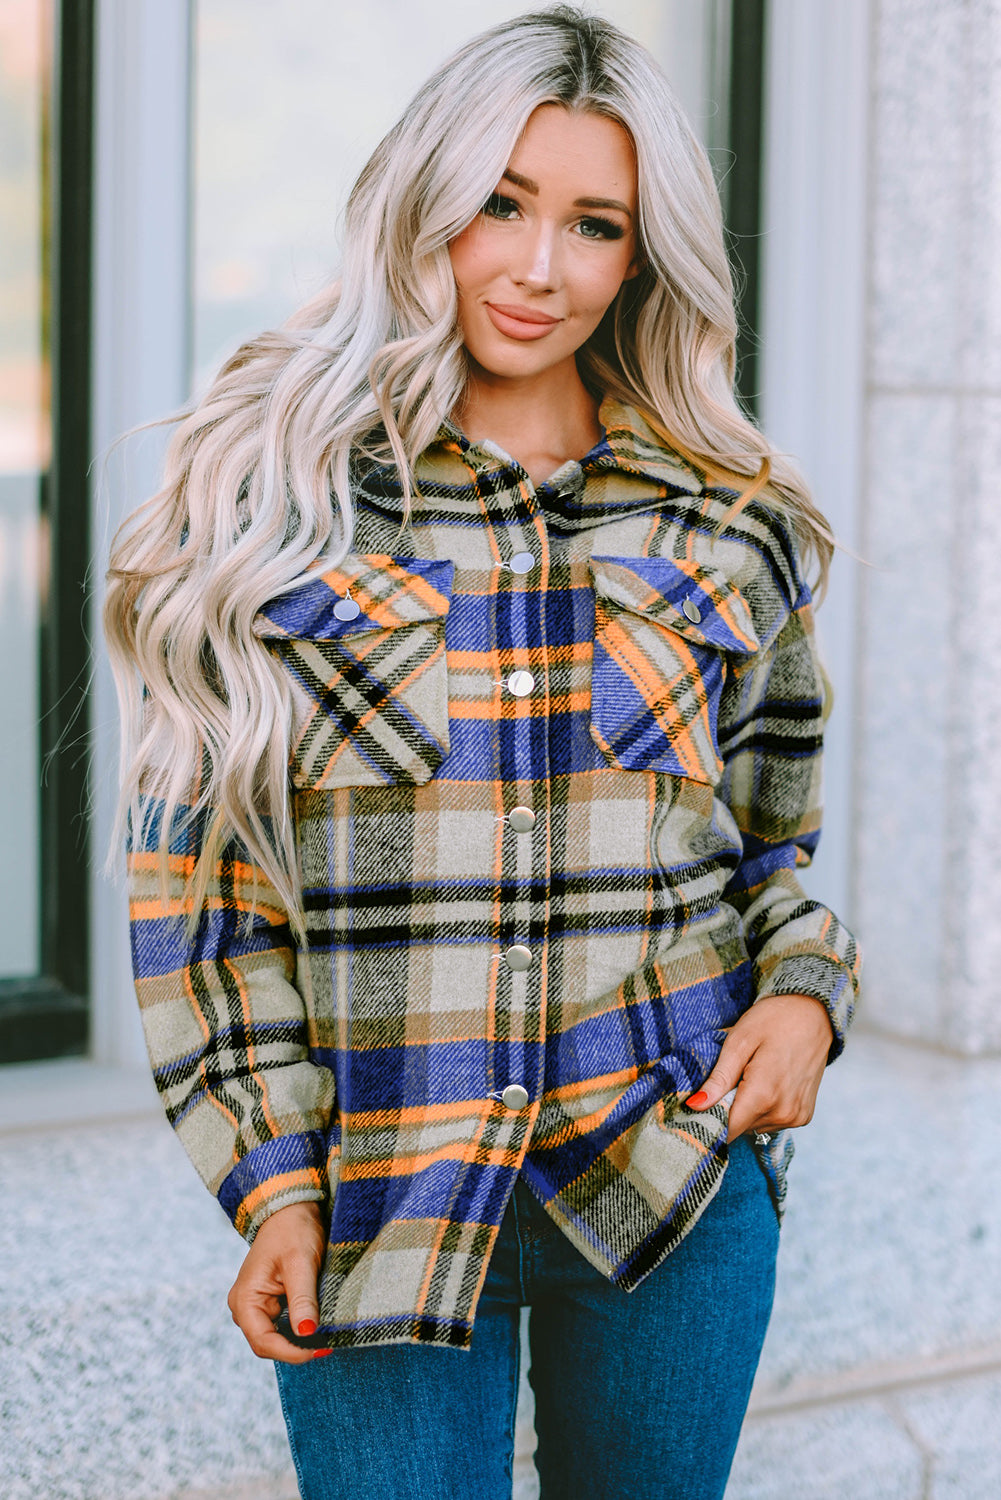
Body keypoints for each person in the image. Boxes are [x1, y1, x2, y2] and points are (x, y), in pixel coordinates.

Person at [106, 8, 860, 1498]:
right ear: (422, 202)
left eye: (595, 224)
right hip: (382, 1205)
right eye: (501, 203)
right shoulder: (277, 500)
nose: (538, 265)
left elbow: (768, 850)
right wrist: (270, 1186)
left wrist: (806, 998)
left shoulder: (724, 514)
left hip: (668, 1189)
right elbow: (201, 902)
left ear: (643, 256)